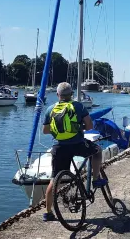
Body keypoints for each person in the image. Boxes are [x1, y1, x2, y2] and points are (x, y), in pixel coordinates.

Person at [41, 82, 106, 222]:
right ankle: (95, 179)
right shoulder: (78, 106)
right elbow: (89, 126)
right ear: (71, 94)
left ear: (58, 95)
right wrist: (77, 127)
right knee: (97, 151)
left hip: (59, 147)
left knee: (54, 180)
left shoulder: (50, 109)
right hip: (78, 144)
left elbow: (45, 131)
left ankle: (47, 213)